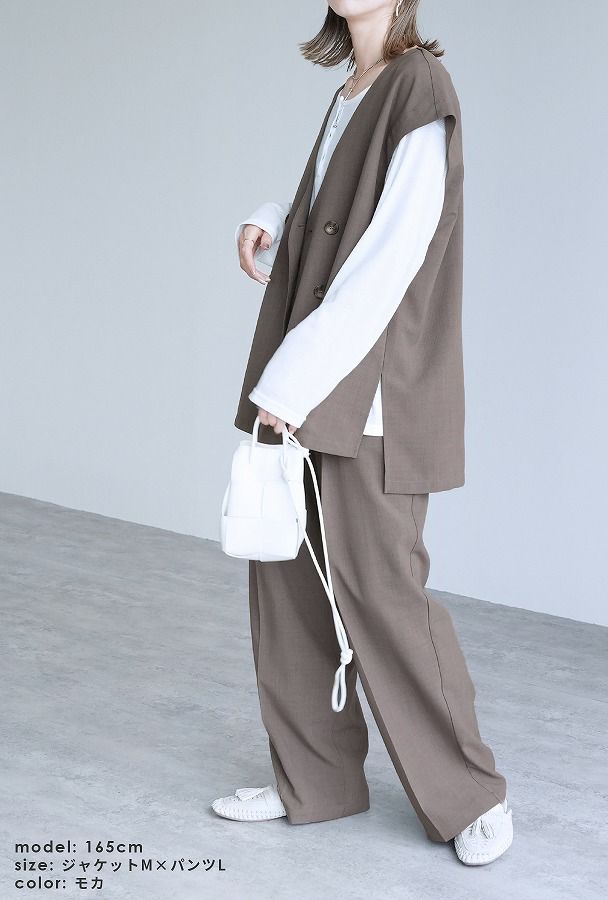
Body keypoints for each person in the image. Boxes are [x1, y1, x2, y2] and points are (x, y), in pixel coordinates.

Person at [212, 0, 513, 867]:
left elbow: (392, 255)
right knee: (290, 585)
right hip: (313, 381)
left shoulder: (420, 84)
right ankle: (316, 781)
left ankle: (471, 795)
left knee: (384, 595)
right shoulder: (354, 87)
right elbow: (343, 216)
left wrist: (291, 383)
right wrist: (277, 214)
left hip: (368, 393)